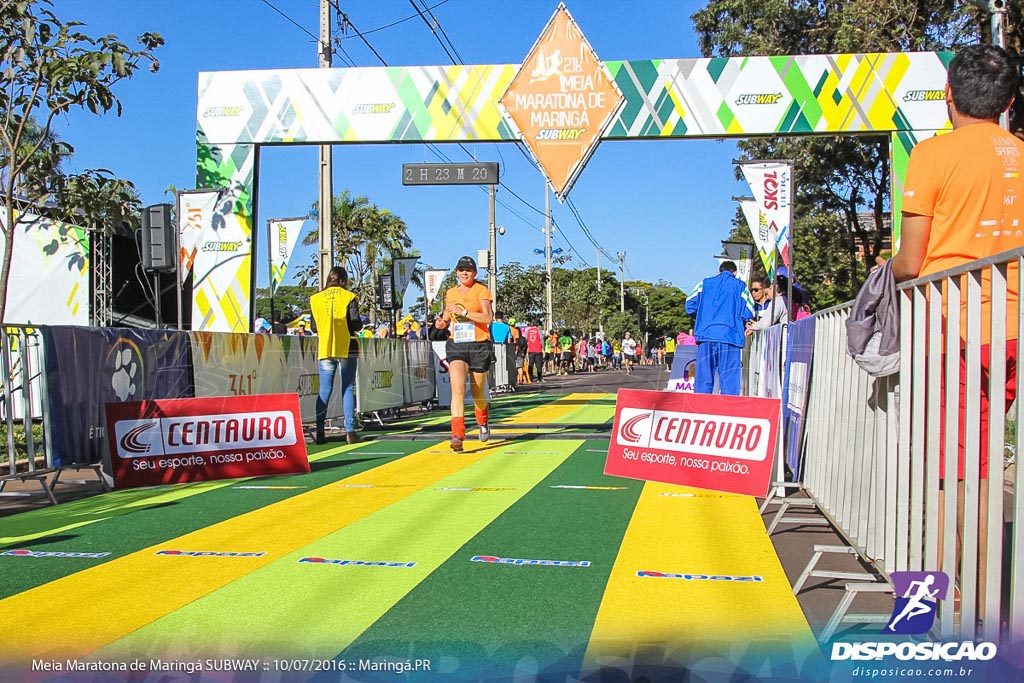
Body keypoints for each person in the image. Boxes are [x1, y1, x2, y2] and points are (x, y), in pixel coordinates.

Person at [889, 44, 1024, 626]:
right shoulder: (1020, 154)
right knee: (985, 467)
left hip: (953, 329)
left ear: (948, 96)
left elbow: (912, 261)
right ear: (1010, 102)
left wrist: (885, 272)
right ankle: (983, 605)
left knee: (950, 475)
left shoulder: (932, 155)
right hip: (1012, 327)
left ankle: (940, 610)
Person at [439, 256, 495, 452]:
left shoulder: (481, 291)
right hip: (457, 345)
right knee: (458, 390)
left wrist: (464, 314)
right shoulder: (451, 292)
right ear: (456, 273)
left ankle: (483, 420)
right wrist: (442, 322)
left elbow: (488, 318)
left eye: (468, 270)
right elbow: (448, 313)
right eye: (461, 270)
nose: (464, 273)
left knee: (478, 393)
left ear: (474, 273)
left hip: (479, 345)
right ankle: (457, 435)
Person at [309, 266, 363, 445]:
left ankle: (320, 432)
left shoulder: (315, 299)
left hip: (325, 347)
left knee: (324, 390)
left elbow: (314, 328)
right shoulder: (349, 297)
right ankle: (350, 432)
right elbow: (356, 324)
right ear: (343, 280)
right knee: (347, 388)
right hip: (348, 346)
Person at [685, 260, 755, 395]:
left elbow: (689, 305)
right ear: (735, 273)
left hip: (706, 336)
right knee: (729, 381)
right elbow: (750, 311)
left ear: (719, 271)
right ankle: (728, 411)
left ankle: (701, 410)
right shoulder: (741, 286)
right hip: (730, 337)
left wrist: (701, 317)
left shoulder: (704, 283)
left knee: (703, 380)